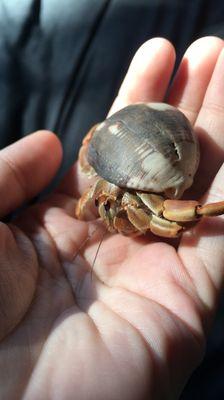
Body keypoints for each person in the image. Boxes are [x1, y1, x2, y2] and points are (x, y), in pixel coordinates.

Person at [0, 36, 224, 399]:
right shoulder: (101, 189)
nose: (105, 208)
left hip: (151, 159)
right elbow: (95, 187)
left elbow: (181, 214)